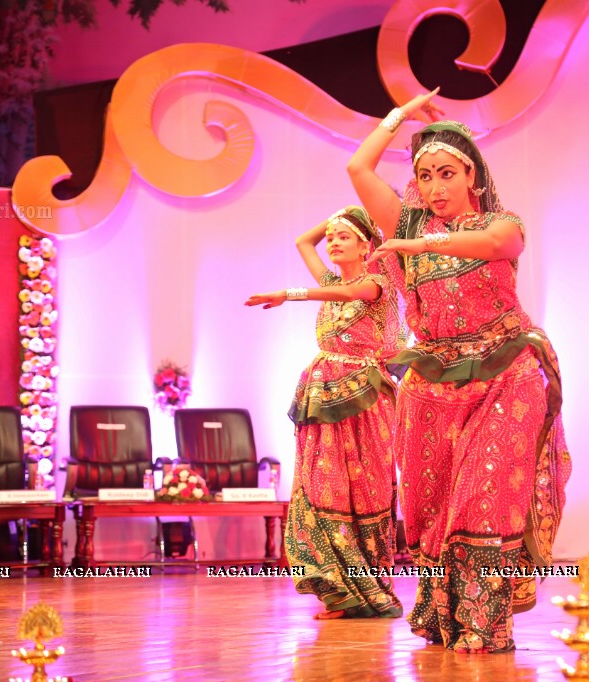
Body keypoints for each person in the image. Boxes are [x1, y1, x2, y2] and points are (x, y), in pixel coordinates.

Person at [346, 90, 572, 653]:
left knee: (486, 496)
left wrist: (417, 240)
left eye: (447, 172)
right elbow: (357, 166)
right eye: (425, 176)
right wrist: (397, 116)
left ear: (471, 175)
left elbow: (496, 244)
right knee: (430, 508)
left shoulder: (501, 222)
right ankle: (448, 616)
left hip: (505, 373)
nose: (436, 186)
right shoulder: (408, 222)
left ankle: (486, 622)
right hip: (432, 382)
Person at [245, 206, 404, 619]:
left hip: (365, 401)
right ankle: (338, 590)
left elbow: (348, 293)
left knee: (362, 492)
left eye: (344, 236)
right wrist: (340, 213)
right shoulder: (332, 280)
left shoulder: (376, 284)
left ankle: (370, 590)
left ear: (366, 245)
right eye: (331, 237)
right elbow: (303, 241)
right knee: (320, 490)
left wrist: (289, 294)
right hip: (322, 399)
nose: (332, 242)